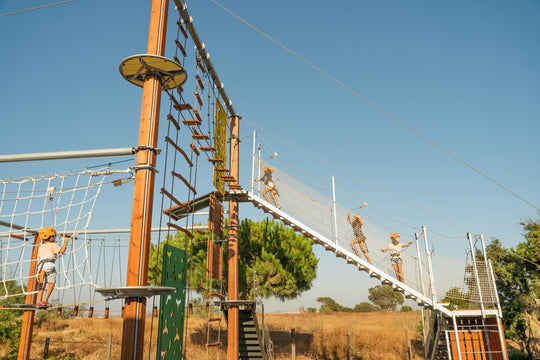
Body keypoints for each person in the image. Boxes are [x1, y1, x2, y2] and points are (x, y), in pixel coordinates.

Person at [35, 227, 70, 308]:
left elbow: (39, 257)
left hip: (41, 267)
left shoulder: (41, 246)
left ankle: (39, 302)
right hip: (50, 265)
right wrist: (65, 242)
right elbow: (62, 251)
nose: (54, 238)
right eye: (53, 236)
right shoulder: (53, 244)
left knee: (41, 285)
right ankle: (45, 300)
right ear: (49, 237)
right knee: (51, 284)